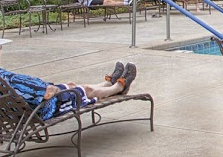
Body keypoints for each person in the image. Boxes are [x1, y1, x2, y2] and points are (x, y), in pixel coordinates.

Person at [0, 50, 137, 121]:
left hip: (15, 113)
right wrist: (57, 87)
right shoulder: (10, 79)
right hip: (41, 110)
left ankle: (106, 83)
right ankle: (118, 88)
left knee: (70, 85)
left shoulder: (4, 77)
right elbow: (47, 93)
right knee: (82, 90)